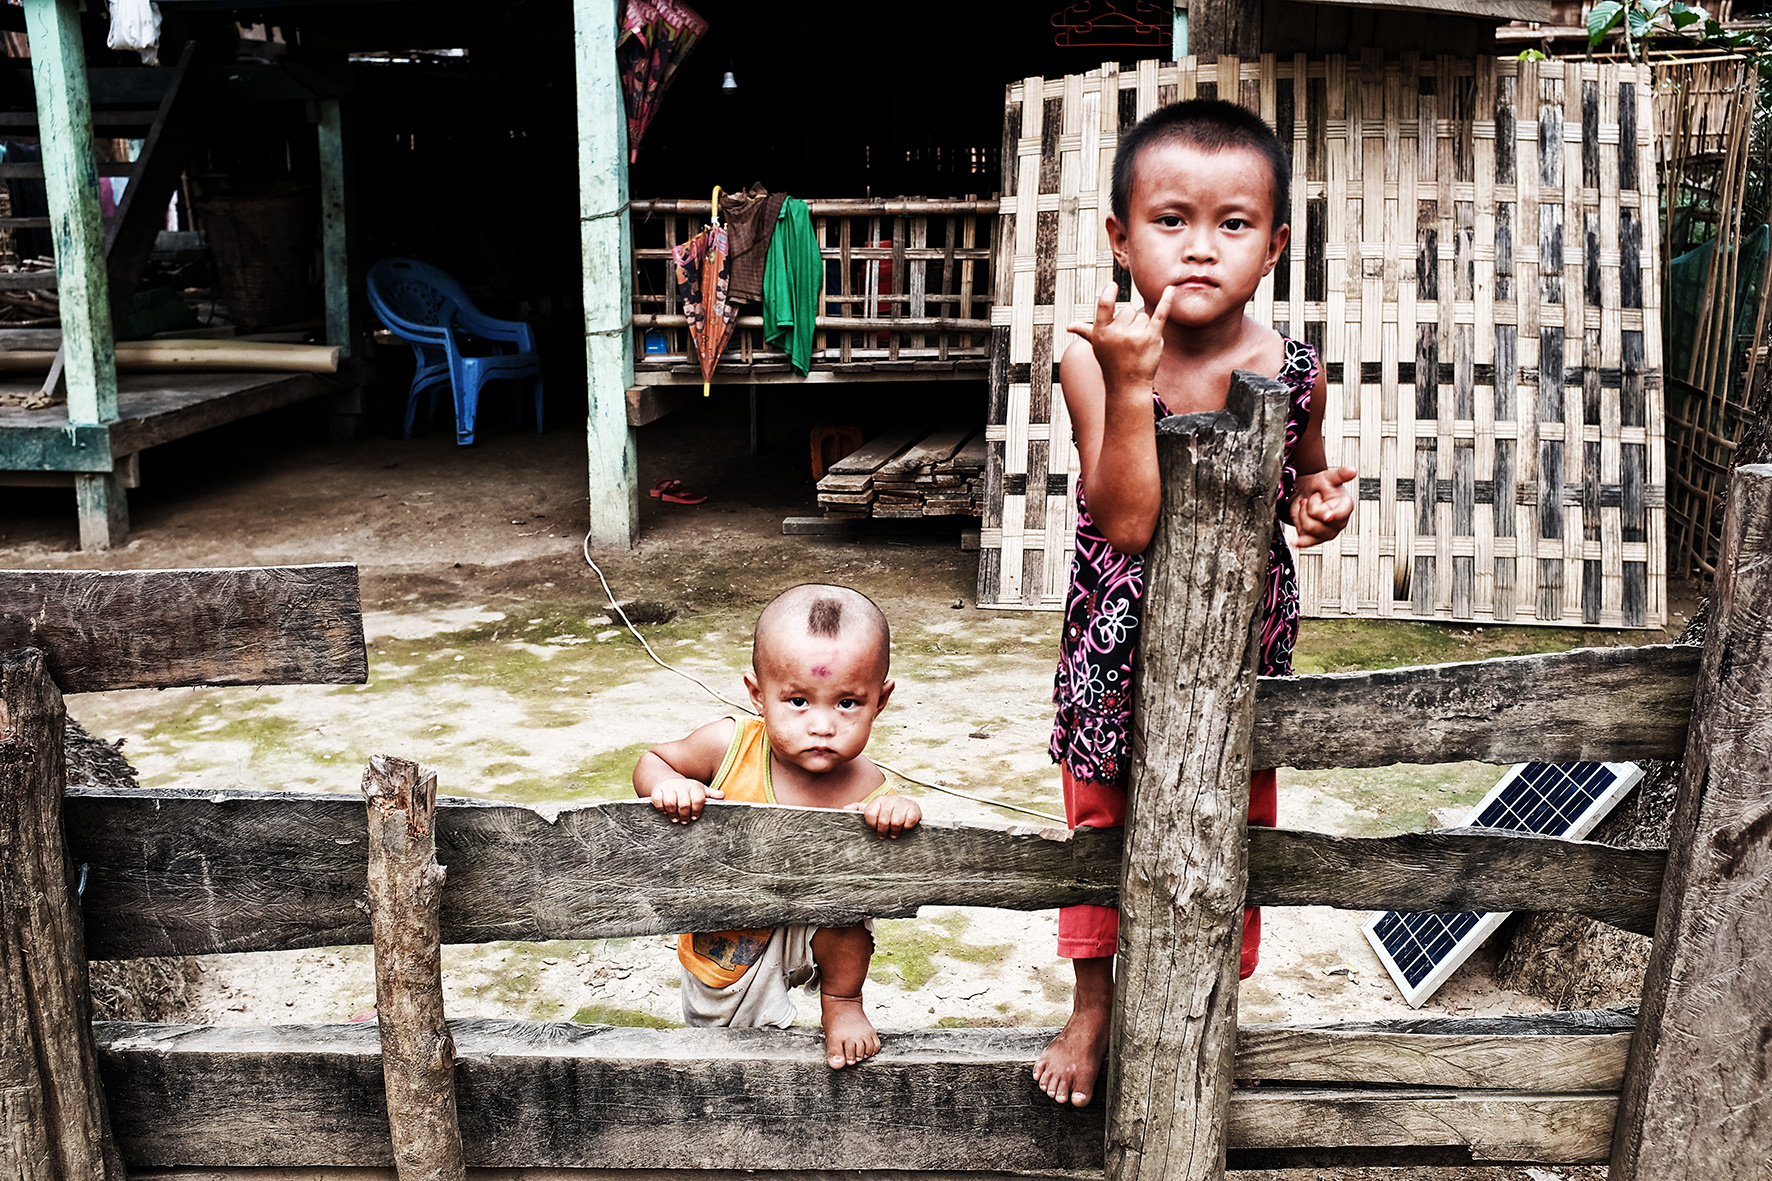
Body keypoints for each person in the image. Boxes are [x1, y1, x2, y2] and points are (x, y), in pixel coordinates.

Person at [1033, 99, 1358, 1108]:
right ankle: (1090, 1005)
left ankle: (1210, 1003)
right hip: (1113, 644)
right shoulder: (1092, 357)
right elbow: (1126, 519)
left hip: (1237, 643)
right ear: (1119, 236)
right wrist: (1134, 383)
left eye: (1232, 224)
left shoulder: (1289, 368)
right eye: (1170, 220)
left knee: (1231, 823)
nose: (1199, 248)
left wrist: (1318, 502)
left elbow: (1300, 473)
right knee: (1101, 827)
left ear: (1273, 246)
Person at [633, 583, 920, 1071]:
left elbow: (892, 843)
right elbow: (653, 760)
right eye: (798, 702)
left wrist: (896, 812)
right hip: (731, 930)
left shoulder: (869, 784)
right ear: (757, 695)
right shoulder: (727, 747)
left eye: (848, 702)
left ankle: (843, 1003)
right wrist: (671, 784)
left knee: (849, 906)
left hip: (815, 922)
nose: (823, 726)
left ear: (881, 700)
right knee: (724, 1056)